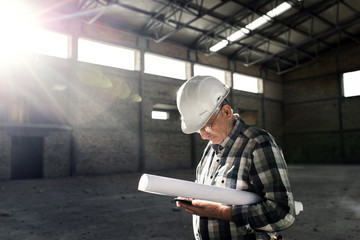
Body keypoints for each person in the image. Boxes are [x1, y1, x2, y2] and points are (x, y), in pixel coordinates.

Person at [176, 75, 296, 240]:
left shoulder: (258, 144)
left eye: (207, 126)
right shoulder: (210, 149)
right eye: (199, 129)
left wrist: (219, 212)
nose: (203, 135)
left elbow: (282, 214)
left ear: (226, 111)